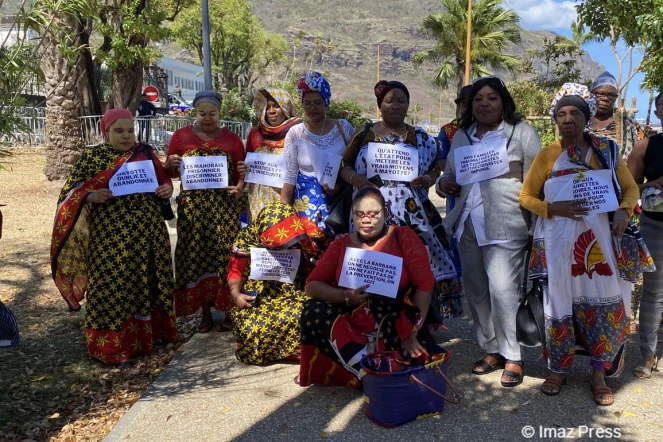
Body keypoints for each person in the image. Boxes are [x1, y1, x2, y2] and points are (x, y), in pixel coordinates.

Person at [520, 83, 653, 404]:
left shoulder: (607, 151)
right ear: (556, 119)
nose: (567, 119)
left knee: (604, 303)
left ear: (586, 116)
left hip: (601, 246)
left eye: (574, 113)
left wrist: (623, 210)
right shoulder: (548, 155)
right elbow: (525, 197)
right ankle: (558, 370)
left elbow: (631, 188)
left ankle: (598, 374)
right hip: (558, 245)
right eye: (561, 113)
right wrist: (552, 208)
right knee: (559, 304)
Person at [436, 76, 541, 387]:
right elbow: (448, 177)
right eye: (478, 98)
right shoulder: (462, 136)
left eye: (492, 97)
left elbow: (539, 178)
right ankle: (491, 348)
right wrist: (444, 184)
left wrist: (538, 222)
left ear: (503, 102)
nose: (484, 103)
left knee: (503, 291)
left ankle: (513, 356)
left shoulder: (521, 133)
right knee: (478, 290)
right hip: (468, 225)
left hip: (507, 224)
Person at [51, 109, 178, 366]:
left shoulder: (144, 152)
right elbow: (69, 193)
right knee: (111, 286)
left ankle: (148, 339)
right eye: (118, 131)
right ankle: (110, 347)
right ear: (106, 132)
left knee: (147, 282)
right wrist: (90, 196)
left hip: (149, 236)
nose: (126, 136)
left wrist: (166, 189)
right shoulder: (93, 157)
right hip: (110, 240)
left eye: (130, 130)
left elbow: (164, 181)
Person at [341, 80, 461, 322]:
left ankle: (413, 325)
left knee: (413, 268)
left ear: (408, 105)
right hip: (370, 214)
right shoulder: (364, 133)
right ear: (380, 105)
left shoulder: (420, 137)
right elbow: (344, 166)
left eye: (401, 100)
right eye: (389, 101)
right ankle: (372, 324)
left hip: (412, 216)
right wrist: (357, 180)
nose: (395, 105)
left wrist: (427, 179)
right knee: (374, 267)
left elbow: (437, 168)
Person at [299, 187, 436, 387]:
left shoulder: (403, 237)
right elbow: (311, 286)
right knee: (312, 310)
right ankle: (366, 371)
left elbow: (424, 284)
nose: (366, 220)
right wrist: (346, 296)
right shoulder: (341, 245)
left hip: (393, 323)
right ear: (352, 215)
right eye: (359, 214)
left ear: (385, 213)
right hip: (350, 322)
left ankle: (375, 370)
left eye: (373, 214)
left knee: (414, 359)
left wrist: (413, 333)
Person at [164, 91, 246, 332]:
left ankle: (230, 310)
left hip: (223, 210)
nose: (207, 118)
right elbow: (169, 171)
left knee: (225, 257)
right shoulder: (180, 137)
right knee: (195, 258)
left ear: (220, 113)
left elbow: (242, 172)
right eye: (202, 113)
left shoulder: (232, 140)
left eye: (212, 113)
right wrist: (169, 165)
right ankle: (205, 313)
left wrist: (239, 188)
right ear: (194, 113)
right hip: (192, 212)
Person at [227, 201, 326, 365]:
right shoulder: (246, 238)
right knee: (248, 325)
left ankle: (303, 353)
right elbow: (234, 270)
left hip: (294, 293)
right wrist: (236, 294)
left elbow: (323, 263)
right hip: (260, 296)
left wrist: (309, 248)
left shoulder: (304, 230)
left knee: (308, 315)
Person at [280, 72, 354, 230]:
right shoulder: (295, 133)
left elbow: (355, 163)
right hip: (306, 204)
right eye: (307, 103)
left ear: (326, 102)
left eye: (318, 103)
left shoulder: (343, 128)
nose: (312, 108)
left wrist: (339, 187)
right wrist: (283, 215)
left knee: (337, 247)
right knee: (310, 246)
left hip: (339, 202)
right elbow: (290, 176)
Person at [627, 91, 663, 379]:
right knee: (654, 293)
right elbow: (628, 188)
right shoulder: (645, 146)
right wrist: (653, 185)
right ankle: (648, 355)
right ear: (659, 111)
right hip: (655, 226)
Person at [237, 88, 302, 221]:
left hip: (286, 200)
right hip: (257, 201)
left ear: (286, 107)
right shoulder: (255, 133)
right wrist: (243, 169)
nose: (271, 111)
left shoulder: (298, 132)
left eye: (277, 106)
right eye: (267, 107)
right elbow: (246, 163)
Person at [437, 84, 472, 279]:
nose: (466, 108)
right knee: (455, 234)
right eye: (464, 104)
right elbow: (442, 159)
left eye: (469, 104)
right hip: (456, 191)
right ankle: (459, 277)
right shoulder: (449, 130)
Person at [588, 71, 644, 160]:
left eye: (611, 95)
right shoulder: (581, 118)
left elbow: (641, 148)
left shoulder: (625, 118)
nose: (605, 98)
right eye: (600, 94)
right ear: (591, 94)